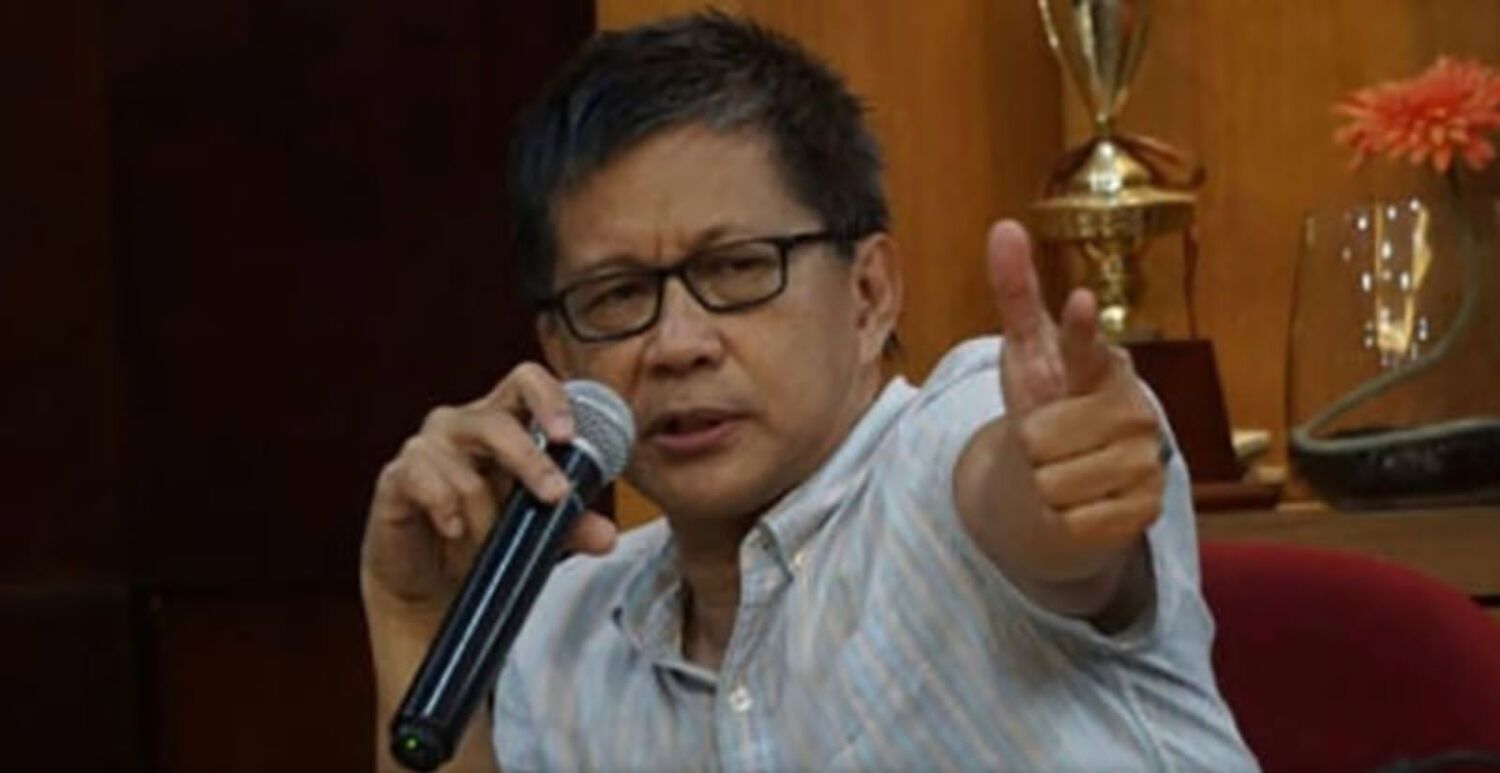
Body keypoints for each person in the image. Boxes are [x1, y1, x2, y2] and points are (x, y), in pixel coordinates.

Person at [361, 12, 1256, 772]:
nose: (677, 344)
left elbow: (1016, 495)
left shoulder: (947, 448)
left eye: (737, 267)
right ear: (559, 351)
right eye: (618, 295)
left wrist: (1061, 486)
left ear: (869, 294)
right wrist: (416, 616)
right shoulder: (563, 638)